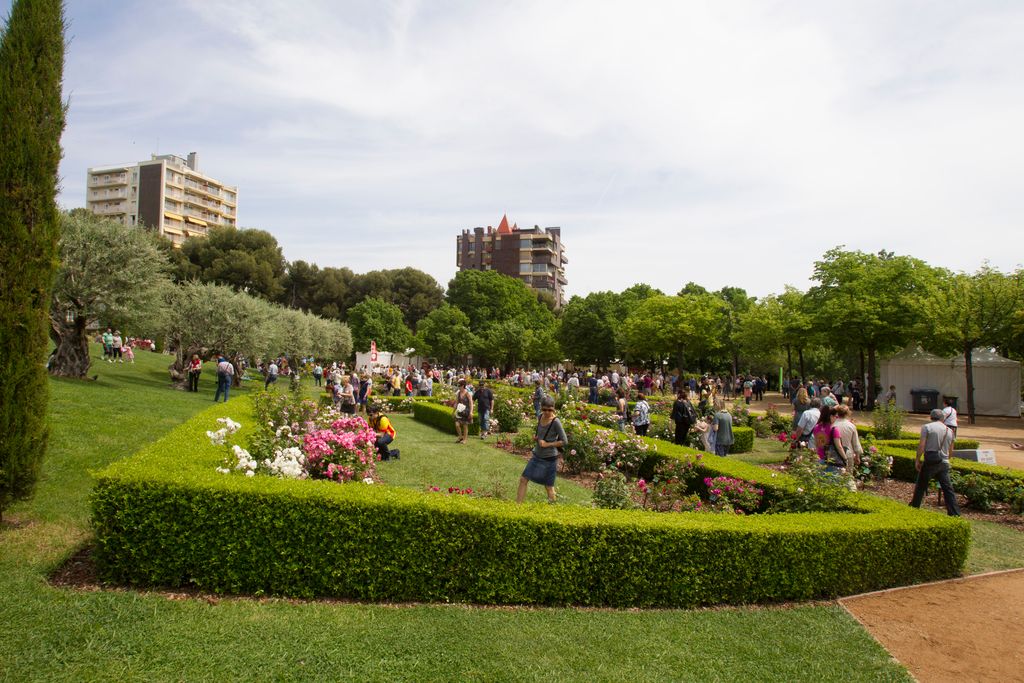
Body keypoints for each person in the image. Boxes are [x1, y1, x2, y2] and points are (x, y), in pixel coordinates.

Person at [516, 395, 566, 504]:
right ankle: (517, 508)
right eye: (544, 409)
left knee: (548, 487)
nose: (547, 412)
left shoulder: (556, 422)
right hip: (537, 455)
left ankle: (552, 512)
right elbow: (540, 432)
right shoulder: (540, 417)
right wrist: (537, 438)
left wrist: (548, 444)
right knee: (523, 479)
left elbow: (564, 441)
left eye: (550, 410)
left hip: (550, 459)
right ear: (541, 408)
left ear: (553, 408)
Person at [910, 409, 961, 516]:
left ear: (931, 417)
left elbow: (922, 446)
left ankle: (914, 507)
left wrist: (918, 459)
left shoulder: (927, 427)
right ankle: (954, 513)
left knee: (921, 485)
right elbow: (951, 451)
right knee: (947, 488)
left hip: (931, 460)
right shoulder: (950, 431)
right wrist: (946, 459)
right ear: (942, 418)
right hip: (944, 461)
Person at [812, 405, 849, 475]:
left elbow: (817, 444)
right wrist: (845, 459)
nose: (836, 418)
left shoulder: (816, 427)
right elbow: (839, 446)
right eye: (836, 416)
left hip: (820, 458)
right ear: (831, 416)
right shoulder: (834, 429)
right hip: (832, 461)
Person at [833, 405, 864, 469]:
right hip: (848, 454)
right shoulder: (851, 426)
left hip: (834, 454)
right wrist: (857, 456)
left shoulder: (833, 425)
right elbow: (855, 443)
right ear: (847, 413)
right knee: (848, 475)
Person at [453, 380, 473, 444]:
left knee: (465, 426)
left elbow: (471, 403)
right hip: (459, 411)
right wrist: (453, 411)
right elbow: (456, 402)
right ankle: (460, 437)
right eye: (458, 386)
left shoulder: (468, 393)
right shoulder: (458, 393)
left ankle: (464, 439)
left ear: (463, 386)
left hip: (466, 411)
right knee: (457, 425)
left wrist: (471, 412)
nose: (458, 387)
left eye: (459, 386)